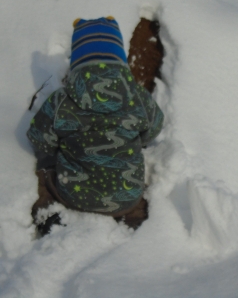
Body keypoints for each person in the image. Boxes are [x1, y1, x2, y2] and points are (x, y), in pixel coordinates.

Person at [27, 16, 164, 230]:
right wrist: (139, 139)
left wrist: (57, 149)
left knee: (45, 173)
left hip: (73, 195)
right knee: (129, 191)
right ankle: (132, 218)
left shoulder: (61, 100)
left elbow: (39, 137)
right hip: (127, 197)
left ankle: (50, 212)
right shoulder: (138, 98)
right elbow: (154, 128)